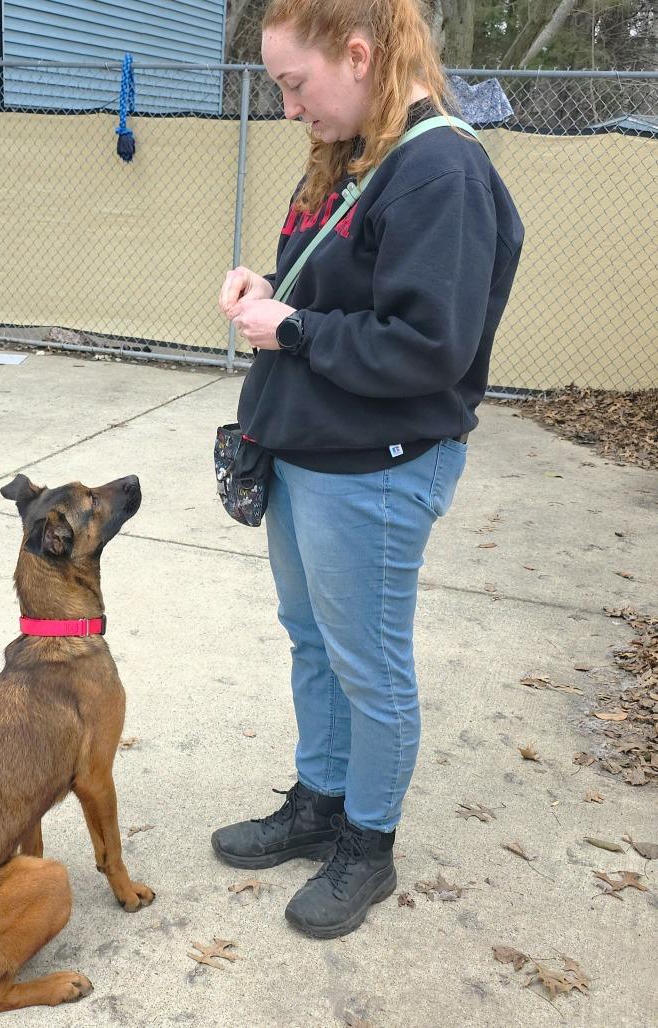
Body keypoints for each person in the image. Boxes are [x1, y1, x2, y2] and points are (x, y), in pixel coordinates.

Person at [212, 0, 524, 940]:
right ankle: (321, 798)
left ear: (358, 55)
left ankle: (369, 843)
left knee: (368, 664)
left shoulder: (441, 171)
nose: (287, 107)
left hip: (376, 466)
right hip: (311, 447)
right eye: (276, 88)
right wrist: (273, 290)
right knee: (312, 637)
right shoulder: (358, 151)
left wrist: (294, 328)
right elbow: (329, 282)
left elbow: (430, 346)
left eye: (294, 84)